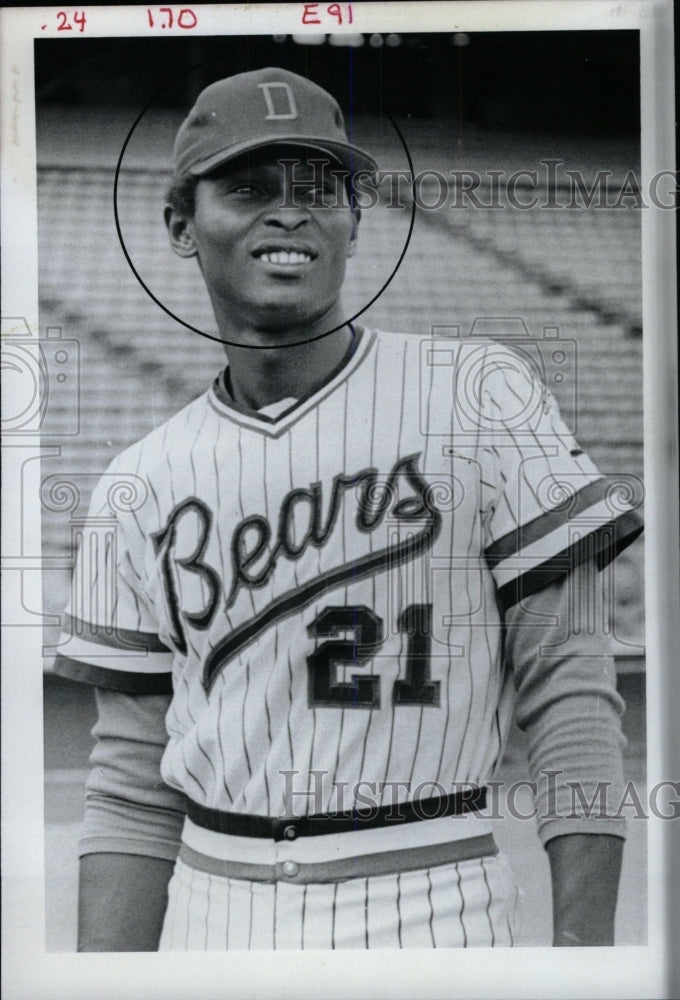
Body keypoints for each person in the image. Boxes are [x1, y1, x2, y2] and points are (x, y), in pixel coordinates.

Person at [54, 67, 643, 950]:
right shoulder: (138, 480)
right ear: (181, 223)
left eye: (319, 190)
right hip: (216, 912)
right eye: (249, 187)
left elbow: (573, 698)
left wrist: (587, 960)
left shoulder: (480, 392)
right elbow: (133, 782)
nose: (288, 212)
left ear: (354, 223)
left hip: (432, 895)